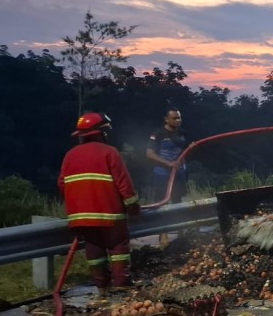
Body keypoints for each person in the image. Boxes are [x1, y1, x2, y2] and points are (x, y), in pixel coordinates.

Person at [58, 113, 140, 295]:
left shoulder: (70, 155)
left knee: (94, 248)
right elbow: (124, 183)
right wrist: (133, 206)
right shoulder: (109, 152)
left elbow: (62, 184)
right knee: (119, 246)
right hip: (109, 213)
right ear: (100, 132)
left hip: (81, 217)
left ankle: (102, 287)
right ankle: (122, 285)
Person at [146, 107, 188, 204]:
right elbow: (149, 154)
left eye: (179, 118)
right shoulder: (158, 133)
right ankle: (162, 219)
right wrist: (168, 163)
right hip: (162, 174)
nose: (178, 120)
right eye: (174, 118)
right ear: (166, 119)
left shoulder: (183, 132)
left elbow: (185, 150)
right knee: (161, 201)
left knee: (178, 199)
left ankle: (179, 218)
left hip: (179, 173)